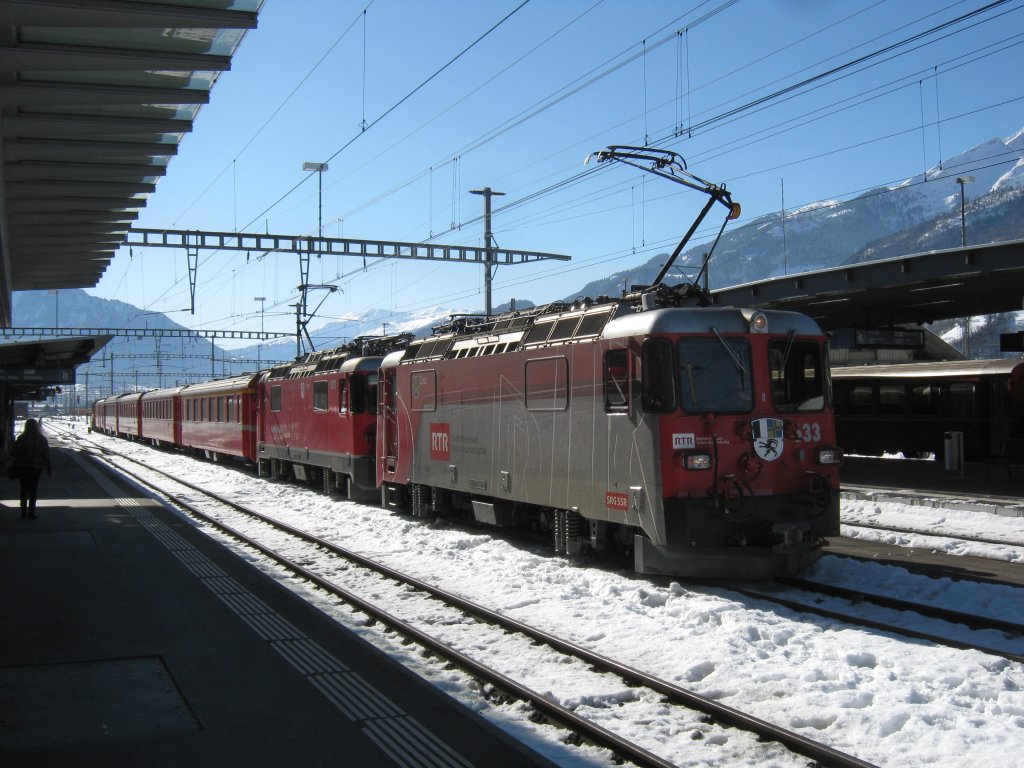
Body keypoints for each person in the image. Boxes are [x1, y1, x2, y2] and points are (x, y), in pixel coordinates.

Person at [12, 418, 53, 519]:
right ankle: (31, 512)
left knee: (24, 489)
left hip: (23, 467)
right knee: (33, 489)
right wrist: (49, 470)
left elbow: (14, 453)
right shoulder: (42, 440)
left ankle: (23, 511)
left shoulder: (21, 438)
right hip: (36, 468)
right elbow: (46, 456)